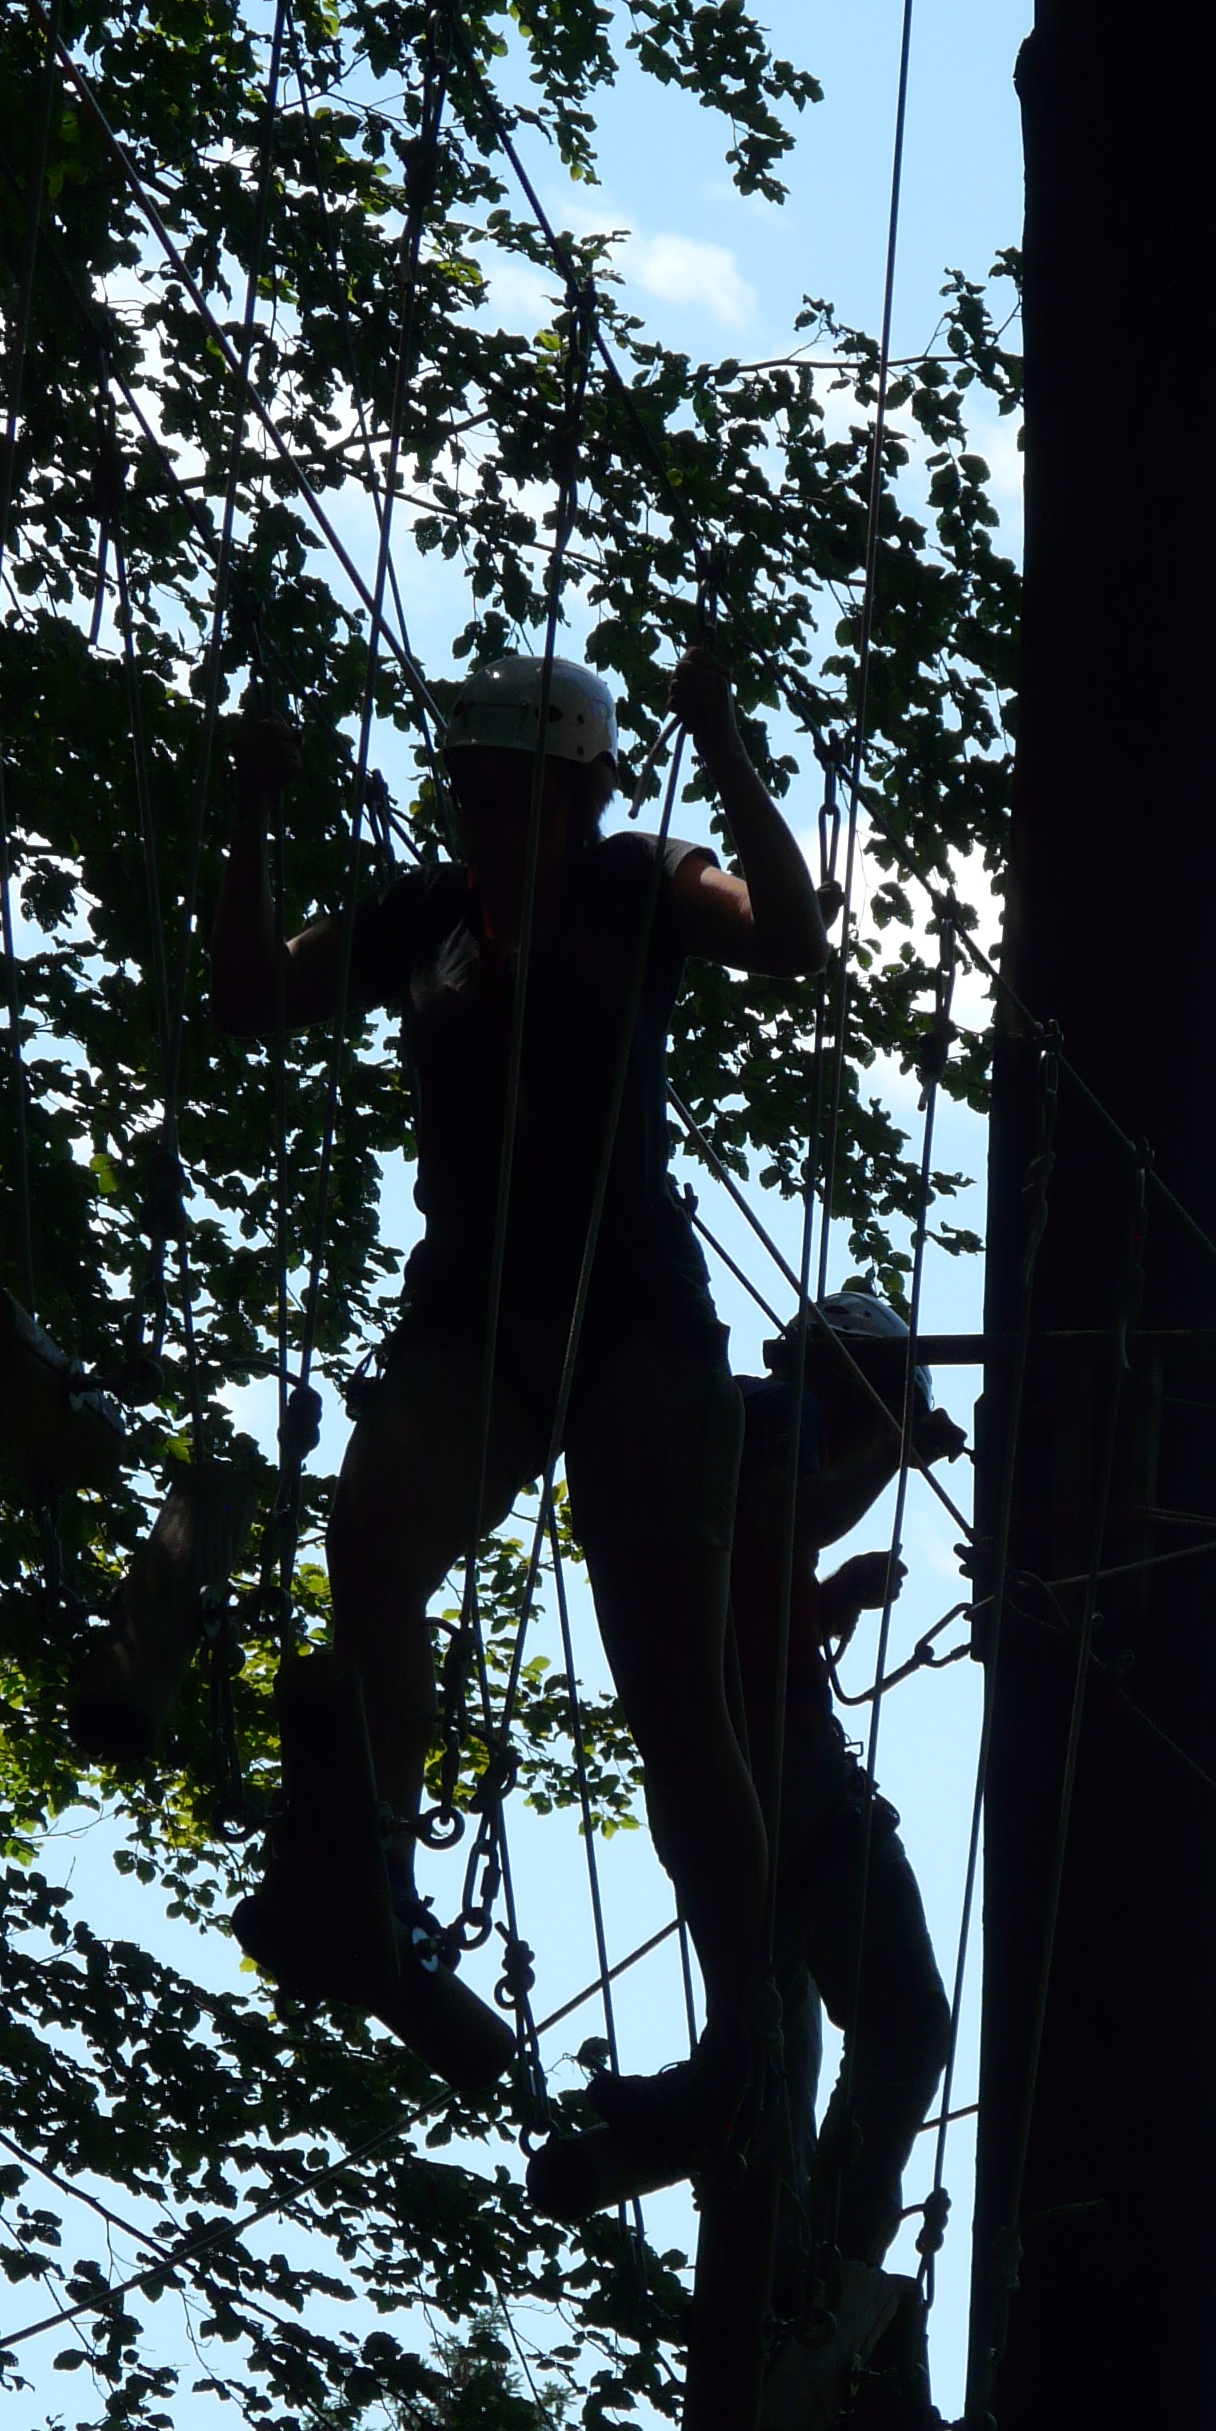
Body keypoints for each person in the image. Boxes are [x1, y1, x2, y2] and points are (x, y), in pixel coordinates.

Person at [211, 645, 825, 2152]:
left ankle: (750, 2041)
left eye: (520, 798)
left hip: (637, 1325)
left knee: (677, 1702)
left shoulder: (639, 883)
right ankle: (375, 1890)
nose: (490, 823)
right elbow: (246, 1000)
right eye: (473, 796)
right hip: (476, 1315)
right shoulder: (424, 921)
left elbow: (790, 941)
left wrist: (729, 750)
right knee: (370, 1551)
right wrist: (245, 816)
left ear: (582, 796)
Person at [730, 1292, 958, 2271]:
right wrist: (894, 1449)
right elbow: (797, 1509)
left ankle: (780, 2267)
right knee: (906, 2027)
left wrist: (833, 1600)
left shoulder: (738, 1438)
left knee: (780, 2049)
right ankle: (826, 2264)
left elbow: (745, 1607)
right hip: (785, 1766)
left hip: (728, 1771)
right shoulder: (776, 1417)